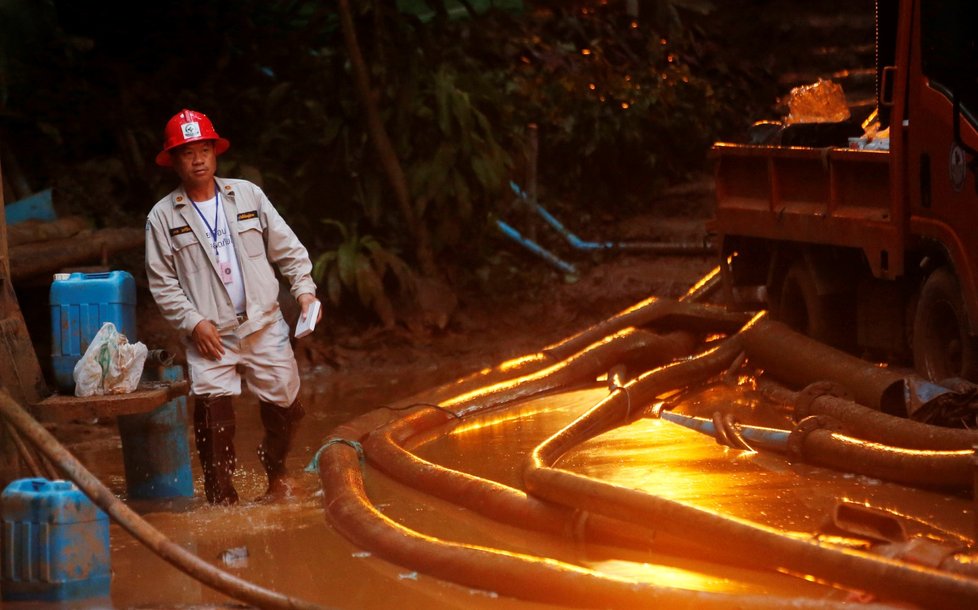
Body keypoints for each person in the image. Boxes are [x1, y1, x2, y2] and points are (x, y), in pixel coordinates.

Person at [144, 109, 321, 505]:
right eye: (187, 152)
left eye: (204, 149)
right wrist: (192, 323)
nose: (198, 159)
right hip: (211, 336)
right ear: (173, 161)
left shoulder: (247, 195)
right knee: (212, 420)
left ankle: (275, 472)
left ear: (215, 152)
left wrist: (305, 291)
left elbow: (287, 249)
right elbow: (162, 282)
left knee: (288, 408)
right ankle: (222, 501)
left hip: (264, 323)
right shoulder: (161, 217)